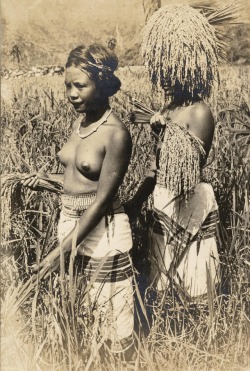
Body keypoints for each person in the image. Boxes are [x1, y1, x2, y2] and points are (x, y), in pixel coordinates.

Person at [22, 44, 135, 359]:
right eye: (67, 85)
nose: (71, 93)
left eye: (80, 85)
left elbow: (100, 202)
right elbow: (77, 183)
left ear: (101, 83)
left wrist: (55, 255)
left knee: (112, 319)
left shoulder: (116, 134)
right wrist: (44, 182)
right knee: (83, 313)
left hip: (102, 232)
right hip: (70, 224)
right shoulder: (80, 124)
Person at [127, 4, 221, 301]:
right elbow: (159, 164)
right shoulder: (168, 108)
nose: (165, 75)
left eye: (172, 66)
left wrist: (165, 132)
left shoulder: (200, 111)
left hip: (189, 200)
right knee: (163, 275)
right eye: (161, 66)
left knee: (193, 275)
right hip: (165, 198)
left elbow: (191, 166)